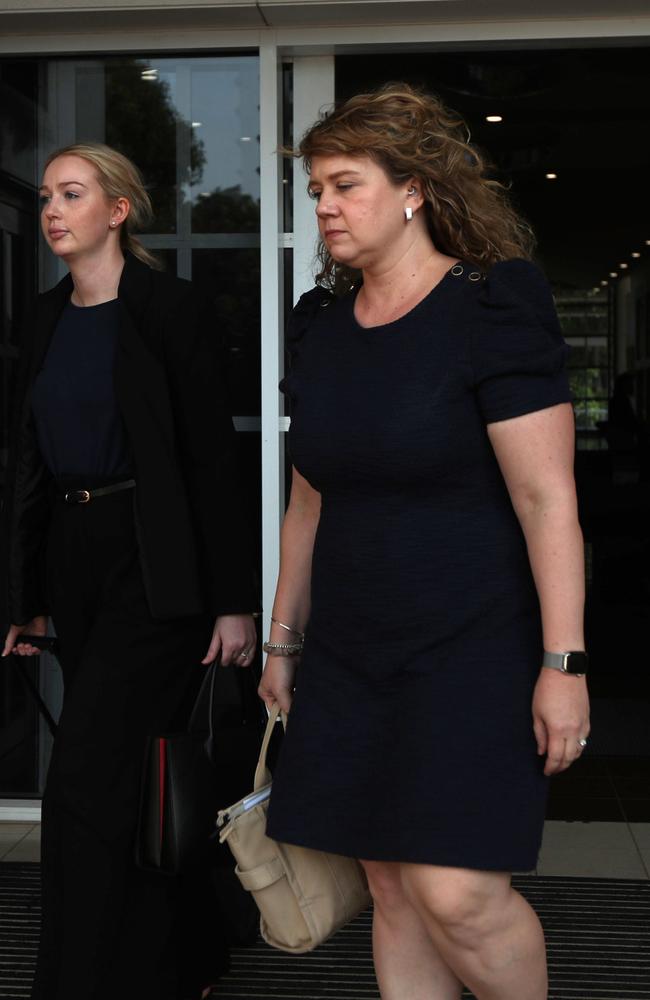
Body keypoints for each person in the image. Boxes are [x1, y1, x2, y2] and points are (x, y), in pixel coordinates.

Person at [258, 84, 590, 1000]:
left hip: (472, 646)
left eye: (346, 184)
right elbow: (307, 504)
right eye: (316, 187)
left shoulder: (490, 307)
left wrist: (564, 660)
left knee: (458, 891)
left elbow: (546, 498)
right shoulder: (321, 326)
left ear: (414, 191)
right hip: (352, 649)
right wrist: (285, 639)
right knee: (390, 887)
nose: (323, 204)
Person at [0, 142, 258, 1000]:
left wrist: (233, 603)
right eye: (44, 196)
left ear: (117, 210)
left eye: (71, 194)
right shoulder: (39, 318)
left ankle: (78, 983)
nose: (51, 210)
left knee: (79, 783)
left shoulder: (169, 309)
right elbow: (27, 467)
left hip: (157, 565)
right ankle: (185, 960)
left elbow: (211, 463)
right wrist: (25, 599)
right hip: (75, 562)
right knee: (131, 776)